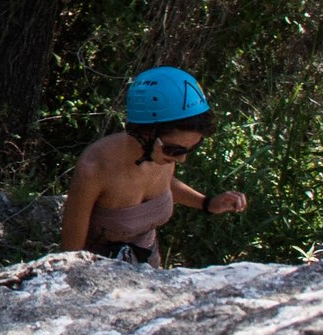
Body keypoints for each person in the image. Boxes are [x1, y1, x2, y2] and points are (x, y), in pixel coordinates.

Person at [61, 67, 246, 265]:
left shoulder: (160, 156)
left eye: (192, 148)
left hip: (148, 267)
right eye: (174, 150)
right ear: (145, 132)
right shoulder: (94, 169)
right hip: (99, 271)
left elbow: (164, 184)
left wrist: (207, 203)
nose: (181, 159)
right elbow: (71, 257)